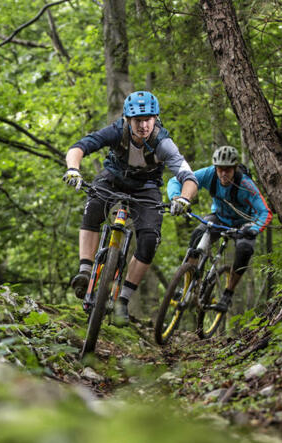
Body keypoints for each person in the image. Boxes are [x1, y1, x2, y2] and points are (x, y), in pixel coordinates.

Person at [63, 91, 198, 325]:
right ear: (127, 119)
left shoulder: (162, 142)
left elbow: (188, 177)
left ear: (155, 118)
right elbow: (79, 147)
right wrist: (73, 169)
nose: (144, 125)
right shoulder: (116, 131)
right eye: (138, 120)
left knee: (149, 239)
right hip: (113, 178)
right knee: (94, 206)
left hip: (146, 188)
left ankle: (123, 300)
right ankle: (85, 270)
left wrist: (184, 199)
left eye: (148, 119)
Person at [166, 145, 272, 312]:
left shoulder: (245, 184)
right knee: (197, 236)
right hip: (219, 217)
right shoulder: (209, 174)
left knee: (244, 249)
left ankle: (228, 293)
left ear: (234, 168)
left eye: (228, 170)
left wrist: (254, 229)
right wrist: (177, 198)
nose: (223, 174)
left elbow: (264, 212)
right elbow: (176, 180)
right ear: (215, 167)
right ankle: (188, 286)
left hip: (243, 224)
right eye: (220, 169)